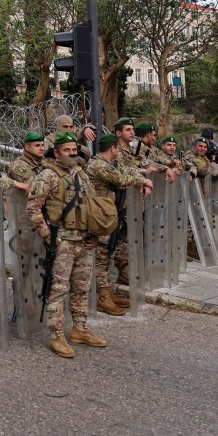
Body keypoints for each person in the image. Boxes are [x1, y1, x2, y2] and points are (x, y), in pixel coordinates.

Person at [26, 131, 105, 358]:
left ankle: (80, 329)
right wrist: (50, 237)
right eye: (67, 150)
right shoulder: (48, 175)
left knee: (82, 288)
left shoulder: (81, 174)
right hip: (62, 242)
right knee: (58, 290)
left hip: (83, 240)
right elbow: (33, 208)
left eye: (74, 149)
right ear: (57, 152)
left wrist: (94, 235)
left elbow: (90, 205)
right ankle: (57, 334)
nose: (72, 153)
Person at [86, 133, 152, 313]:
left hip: (109, 214)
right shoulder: (98, 164)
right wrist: (144, 180)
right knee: (101, 257)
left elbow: (127, 171)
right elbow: (120, 179)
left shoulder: (111, 163)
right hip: (99, 216)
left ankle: (107, 291)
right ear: (113, 148)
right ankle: (103, 297)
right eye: (117, 148)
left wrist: (141, 178)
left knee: (108, 253)